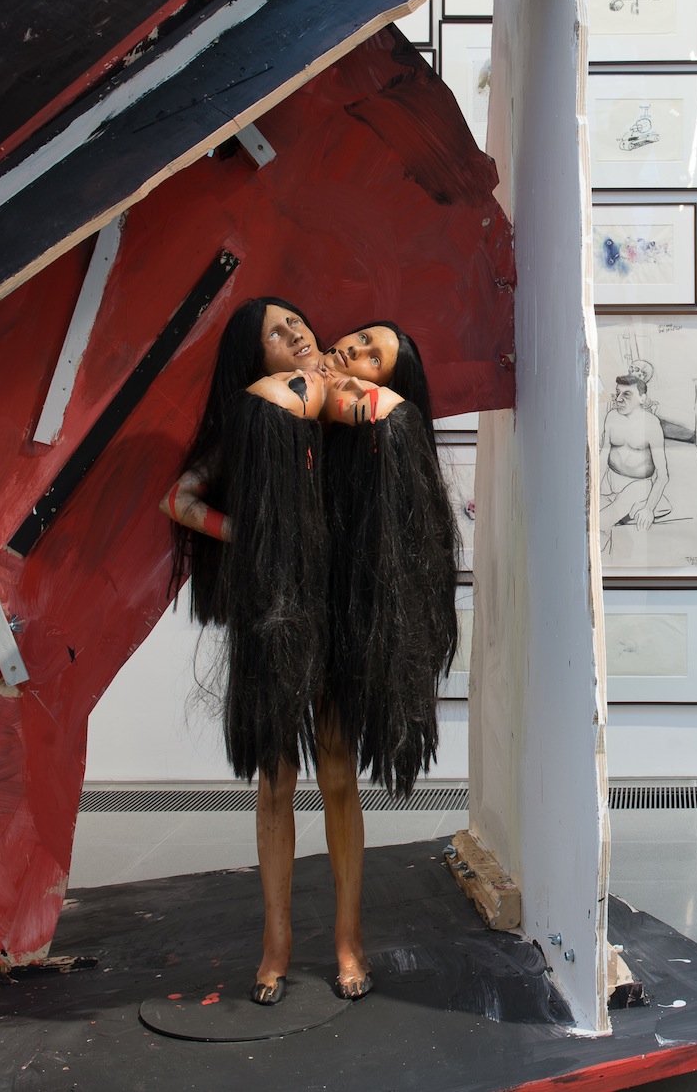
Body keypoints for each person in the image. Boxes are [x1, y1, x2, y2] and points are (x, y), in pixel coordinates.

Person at [164, 299, 457, 1006]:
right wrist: (255, 535)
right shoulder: (258, 417)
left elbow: (393, 433)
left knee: (337, 773)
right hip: (276, 613)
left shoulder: (359, 422)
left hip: (340, 617)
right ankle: (277, 941)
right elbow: (180, 497)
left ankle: (348, 937)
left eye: (373, 355)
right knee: (274, 779)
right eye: (280, 330)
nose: (343, 347)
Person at [599, 362, 672, 544]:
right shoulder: (611, 417)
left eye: (627, 395)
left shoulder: (651, 424)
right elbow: (603, 455)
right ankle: (646, 505)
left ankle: (644, 504)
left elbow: (663, 474)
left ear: (642, 398)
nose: (618, 399)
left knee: (600, 523)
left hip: (638, 485)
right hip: (610, 482)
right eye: (618, 393)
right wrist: (595, 485)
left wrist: (648, 509)